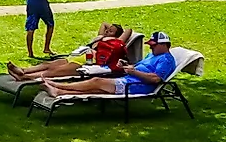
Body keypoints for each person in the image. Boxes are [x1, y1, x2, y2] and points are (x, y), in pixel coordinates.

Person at [38, 32, 182, 101]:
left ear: (163, 45)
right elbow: (140, 68)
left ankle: (56, 85)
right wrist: (128, 66)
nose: (151, 48)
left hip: (136, 86)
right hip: (129, 80)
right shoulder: (154, 55)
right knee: (95, 88)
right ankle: (59, 92)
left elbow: (156, 79)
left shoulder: (166, 60)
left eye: (154, 45)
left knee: (96, 82)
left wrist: (134, 72)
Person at [7, 22, 129, 83]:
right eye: (107, 30)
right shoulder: (100, 38)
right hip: (76, 56)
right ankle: (23, 70)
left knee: (53, 72)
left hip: (85, 63)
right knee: (47, 65)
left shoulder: (116, 42)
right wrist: (107, 32)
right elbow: (103, 23)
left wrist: (115, 33)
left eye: (111, 31)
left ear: (117, 36)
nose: (107, 31)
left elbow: (128, 30)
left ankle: (24, 77)